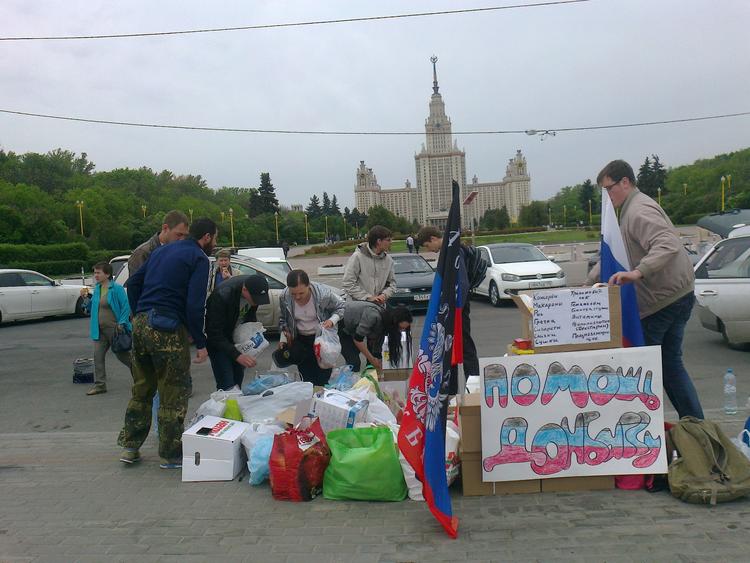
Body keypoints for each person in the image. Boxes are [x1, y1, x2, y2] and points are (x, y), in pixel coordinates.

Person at [588, 159, 703, 420]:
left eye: (609, 188)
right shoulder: (628, 210)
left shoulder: (637, 211)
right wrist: (587, 282)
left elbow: (666, 244)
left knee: (641, 370)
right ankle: (697, 428)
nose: (607, 196)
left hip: (661, 301)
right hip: (674, 295)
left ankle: (640, 434)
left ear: (625, 182)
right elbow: (619, 255)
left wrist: (639, 272)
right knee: (670, 366)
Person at [118, 218, 218, 468]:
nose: (215, 244)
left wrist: (139, 312)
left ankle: (130, 447)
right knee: (174, 390)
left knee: (142, 388)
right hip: (167, 327)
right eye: (215, 239)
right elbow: (195, 304)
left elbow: (133, 283)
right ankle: (171, 455)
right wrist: (200, 340)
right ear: (206, 237)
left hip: (140, 325)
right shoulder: (199, 259)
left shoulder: (161, 251)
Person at [416, 225, 488, 389]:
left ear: (433, 239)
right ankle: (454, 387)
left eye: (428, 246)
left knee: (465, 345)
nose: (430, 250)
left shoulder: (453, 251)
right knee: (452, 347)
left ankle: (473, 384)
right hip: (455, 305)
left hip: (458, 307)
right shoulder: (450, 249)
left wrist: (456, 309)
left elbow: (461, 282)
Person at [275, 269, 345, 386]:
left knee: (323, 376)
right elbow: (283, 319)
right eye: (294, 293)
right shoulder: (284, 296)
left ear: (309, 285)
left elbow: (341, 306)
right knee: (307, 378)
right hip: (300, 339)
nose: (297, 297)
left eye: (301, 293)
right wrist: (283, 338)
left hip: (321, 339)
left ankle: (323, 400)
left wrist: (331, 321)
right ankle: (311, 400)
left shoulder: (323, 294)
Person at [206, 275, 270, 391]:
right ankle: (225, 406)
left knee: (237, 381)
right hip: (220, 343)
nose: (256, 303)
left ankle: (234, 406)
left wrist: (252, 343)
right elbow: (214, 333)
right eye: (254, 299)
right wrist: (237, 355)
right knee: (228, 385)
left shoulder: (254, 288)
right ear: (244, 290)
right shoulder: (222, 295)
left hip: (237, 339)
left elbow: (250, 317)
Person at [83, 262, 132, 396]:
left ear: (108, 274)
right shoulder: (97, 289)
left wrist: (122, 323)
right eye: (95, 272)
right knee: (97, 356)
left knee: (124, 357)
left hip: (115, 329)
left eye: (98, 273)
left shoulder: (116, 288)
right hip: (99, 330)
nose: (96, 275)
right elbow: (90, 307)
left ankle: (142, 380)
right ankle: (100, 385)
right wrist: (85, 299)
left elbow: (126, 307)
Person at [339, 301, 412, 372]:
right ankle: (347, 382)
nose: (400, 331)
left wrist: (378, 358)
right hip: (340, 323)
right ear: (394, 322)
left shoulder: (385, 323)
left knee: (372, 360)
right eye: (400, 328)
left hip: (354, 328)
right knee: (354, 362)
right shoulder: (374, 316)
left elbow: (375, 342)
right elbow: (358, 339)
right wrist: (372, 360)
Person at [342, 225, 397, 305]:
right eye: (388, 240)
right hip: (359, 307)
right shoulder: (357, 257)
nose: (390, 242)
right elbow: (348, 283)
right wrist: (368, 297)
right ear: (379, 241)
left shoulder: (388, 260)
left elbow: (392, 284)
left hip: (379, 307)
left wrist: (384, 295)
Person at [127, 210, 190, 274]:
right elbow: (136, 282)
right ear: (165, 228)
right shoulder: (143, 253)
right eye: (179, 235)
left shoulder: (183, 253)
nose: (182, 239)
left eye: (185, 236)